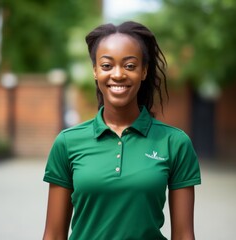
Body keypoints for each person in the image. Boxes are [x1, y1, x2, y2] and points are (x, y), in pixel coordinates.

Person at [43, 21, 201, 240]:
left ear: (144, 71)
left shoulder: (174, 142)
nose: (118, 75)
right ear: (95, 72)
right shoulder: (67, 142)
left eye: (129, 65)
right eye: (107, 66)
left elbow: (184, 235)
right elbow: (53, 235)